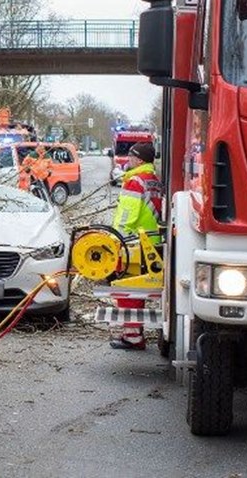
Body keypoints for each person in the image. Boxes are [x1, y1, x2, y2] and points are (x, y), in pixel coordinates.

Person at [110, 141, 163, 350]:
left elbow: (127, 217)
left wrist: (116, 240)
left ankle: (132, 336)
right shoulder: (153, 180)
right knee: (138, 290)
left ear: (139, 159)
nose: (128, 160)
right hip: (151, 242)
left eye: (131, 157)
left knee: (127, 290)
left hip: (133, 243)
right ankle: (135, 333)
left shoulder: (135, 182)